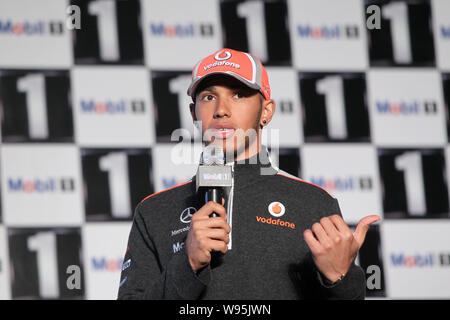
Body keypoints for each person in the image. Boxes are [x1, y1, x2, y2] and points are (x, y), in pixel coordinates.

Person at [117, 48, 380, 300]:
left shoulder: (313, 203)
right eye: (208, 97)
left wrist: (340, 280)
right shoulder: (154, 211)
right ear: (193, 112)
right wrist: (187, 265)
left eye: (239, 94)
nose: (221, 110)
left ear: (266, 112)